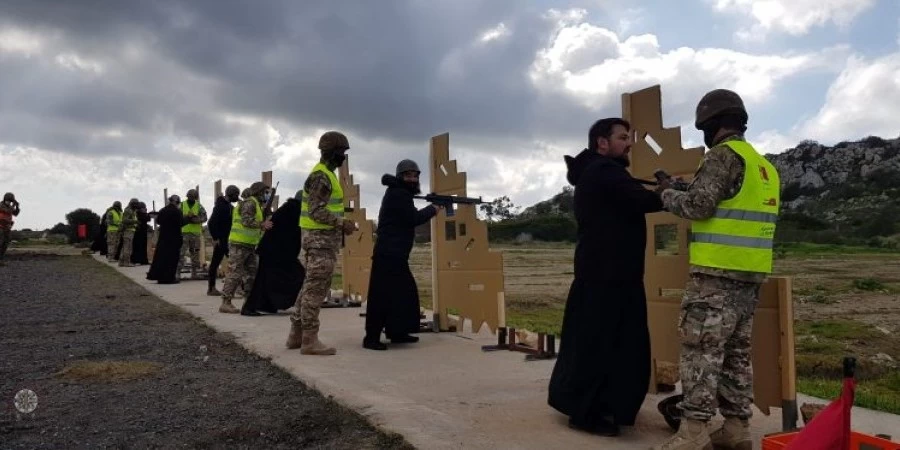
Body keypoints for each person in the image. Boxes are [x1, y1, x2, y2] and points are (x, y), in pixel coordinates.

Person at [651, 89, 780, 450]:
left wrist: (667, 195)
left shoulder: (721, 156)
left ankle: (692, 434)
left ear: (713, 124)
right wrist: (682, 186)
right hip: (749, 277)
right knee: (736, 355)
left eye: (703, 128)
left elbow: (699, 207)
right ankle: (737, 430)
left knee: (700, 352)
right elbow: (727, 202)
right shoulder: (763, 165)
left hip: (715, 277)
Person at [547, 118, 665, 436]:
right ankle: (587, 413)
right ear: (602, 143)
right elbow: (642, 200)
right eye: (623, 137)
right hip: (610, 278)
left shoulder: (596, 171)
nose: (629, 144)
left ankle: (594, 405)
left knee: (596, 345)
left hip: (605, 274)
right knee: (605, 346)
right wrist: (668, 190)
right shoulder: (605, 171)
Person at [285, 131, 357, 355]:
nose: (343, 157)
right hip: (320, 242)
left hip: (320, 241)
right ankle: (309, 340)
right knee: (315, 291)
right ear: (332, 152)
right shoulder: (321, 176)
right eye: (342, 152)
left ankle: (296, 336)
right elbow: (316, 211)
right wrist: (341, 223)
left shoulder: (326, 175)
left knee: (309, 288)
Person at [362, 159, 439, 350]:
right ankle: (371, 338)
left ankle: (397, 332)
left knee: (402, 295)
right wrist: (434, 208)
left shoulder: (400, 193)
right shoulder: (398, 194)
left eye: (415, 175)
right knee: (382, 297)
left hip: (394, 255)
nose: (412, 179)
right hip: (389, 255)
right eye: (408, 175)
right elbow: (413, 218)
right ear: (400, 177)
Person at [242, 192, 305, 316]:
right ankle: (250, 307)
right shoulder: (293, 210)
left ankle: (266, 305)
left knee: (265, 279)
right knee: (297, 274)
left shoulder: (289, 208)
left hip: (274, 251)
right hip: (276, 252)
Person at [220, 182, 272, 314]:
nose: (267, 195)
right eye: (266, 192)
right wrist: (262, 224)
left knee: (251, 275)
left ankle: (248, 303)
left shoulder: (257, 205)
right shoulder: (250, 203)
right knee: (235, 274)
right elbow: (246, 221)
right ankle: (225, 303)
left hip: (249, 245)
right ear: (259, 191)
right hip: (239, 244)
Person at [207, 185, 240, 296]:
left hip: (227, 239)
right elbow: (211, 223)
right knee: (216, 264)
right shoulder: (221, 206)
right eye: (236, 195)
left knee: (233, 263)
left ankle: (235, 288)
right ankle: (211, 288)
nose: (237, 197)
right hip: (221, 240)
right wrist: (215, 238)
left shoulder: (229, 206)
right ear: (231, 194)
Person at [147, 195, 185, 284]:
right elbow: (181, 223)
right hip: (174, 238)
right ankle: (169, 278)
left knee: (161, 258)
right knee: (171, 259)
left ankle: (160, 277)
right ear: (176, 202)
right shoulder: (177, 211)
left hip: (163, 238)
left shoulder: (163, 210)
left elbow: (158, 221)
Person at [178, 189, 208, 279]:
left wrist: (196, 220)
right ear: (187, 196)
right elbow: (177, 217)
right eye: (190, 197)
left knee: (195, 254)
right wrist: (186, 217)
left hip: (195, 233)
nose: (192, 198)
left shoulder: (198, 205)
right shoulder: (182, 205)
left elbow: (205, 217)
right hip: (184, 232)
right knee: (181, 253)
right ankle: (177, 273)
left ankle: (194, 273)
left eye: (193, 197)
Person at [0, 192, 21, 265]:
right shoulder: (1, 205)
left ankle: (1, 259)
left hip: (7, 227)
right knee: (0, 242)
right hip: (0, 227)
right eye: (8, 201)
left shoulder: (10, 207)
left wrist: (17, 206)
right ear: (5, 199)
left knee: (5, 243)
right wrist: (14, 205)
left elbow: (15, 214)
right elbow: (8, 211)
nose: (9, 202)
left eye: (10, 201)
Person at [118, 198, 139, 267]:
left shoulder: (132, 210)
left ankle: (121, 262)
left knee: (125, 246)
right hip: (128, 230)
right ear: (132, 203)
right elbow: (125, 220)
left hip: (130, 230)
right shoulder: (128, 210)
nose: (136, 205)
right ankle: (126, 262)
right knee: (128, 247)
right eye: (135, 203)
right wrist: (134, 221)